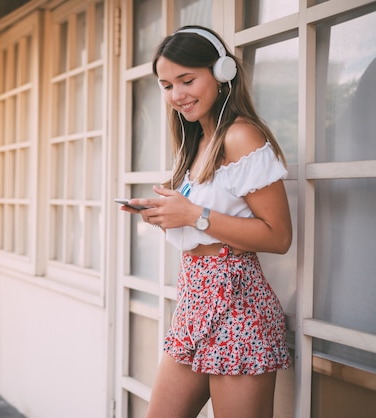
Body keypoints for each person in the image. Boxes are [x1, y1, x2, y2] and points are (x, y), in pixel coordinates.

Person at [120, 25, 292, 418]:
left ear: (222, 72)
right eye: (166, 85)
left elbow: (279, 236)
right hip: (195, 301)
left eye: (187, 80)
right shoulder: (196, 143)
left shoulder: (241, 137)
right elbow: (206, 223)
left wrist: (194, 215)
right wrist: (167, 216)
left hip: (237, 305)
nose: (177, 95)